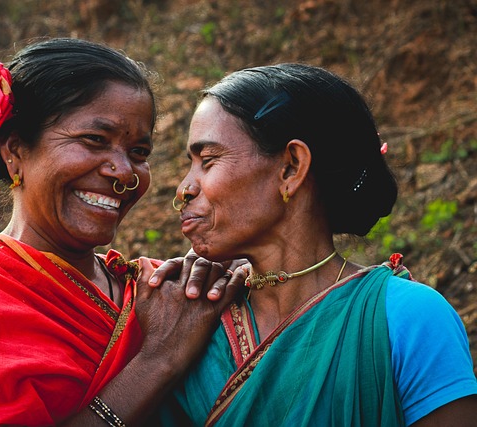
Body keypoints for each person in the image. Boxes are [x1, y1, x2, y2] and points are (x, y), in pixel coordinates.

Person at [0, 38, 243, 426]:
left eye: (139, 152)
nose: (125, 172)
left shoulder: (156, 291)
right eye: (95, 140)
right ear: (16, 150)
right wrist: (158, 361)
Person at [164, 63, 477, 426]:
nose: (184, 188)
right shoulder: (186, 319)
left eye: (208, 160)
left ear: (290, 168)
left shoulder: (407, 320)